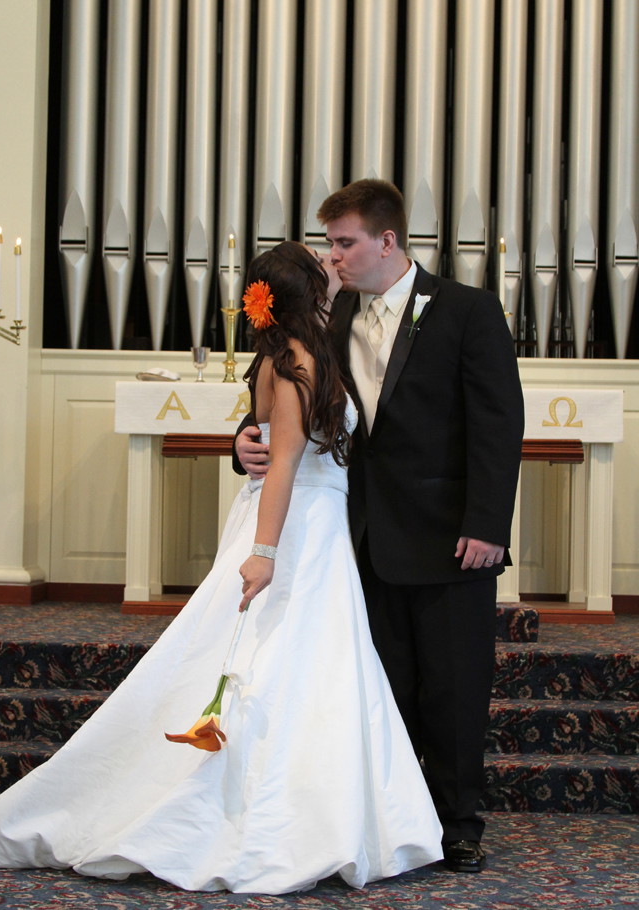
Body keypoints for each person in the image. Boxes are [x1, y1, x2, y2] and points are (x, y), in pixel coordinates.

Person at [0, 241, 443, 895]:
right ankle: (258, 817)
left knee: (313, 666)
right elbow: (286, 465)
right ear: (304, 294)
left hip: (318, 529)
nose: (335, 265)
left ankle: (322, 814)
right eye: (324, 264)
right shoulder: (293, 361)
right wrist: (263, 554)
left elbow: (284, 445)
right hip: (291, 530)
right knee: (267, 662)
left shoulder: (301, 350)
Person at [236, 182, 525, 873]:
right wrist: (244, 441)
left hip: (449, 537)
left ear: (387, 241)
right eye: (330, 243)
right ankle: (396, 817)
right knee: (380, 690)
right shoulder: (324, 320)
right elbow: (282, 405)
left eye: (345, 243)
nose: (332, 259)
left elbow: (498, 424)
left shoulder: (466, 311)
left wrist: (487, 523)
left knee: (453, 689)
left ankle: (459, 825)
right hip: (355, 538)